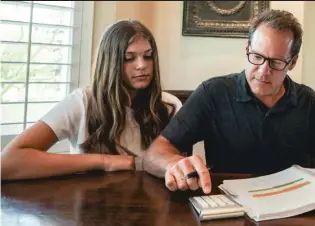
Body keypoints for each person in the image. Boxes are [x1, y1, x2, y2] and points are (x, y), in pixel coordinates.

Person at [143, 9, 315, 193]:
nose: (263, 71)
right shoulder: (213, 93)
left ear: (292, 63)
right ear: (247, 50)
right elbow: (154, 154)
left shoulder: (307, 101)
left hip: (292, 207)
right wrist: (173, 164)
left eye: (276, 62)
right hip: (230, 206)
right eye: (257, 57)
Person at [1, 19, 181, 180]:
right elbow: (7, 163)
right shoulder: (82, 103)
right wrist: (104, 161)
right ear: (110, 63)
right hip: (92, 210)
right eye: (129, 58)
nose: (142, 65)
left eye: (147, 56)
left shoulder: (170, 106)